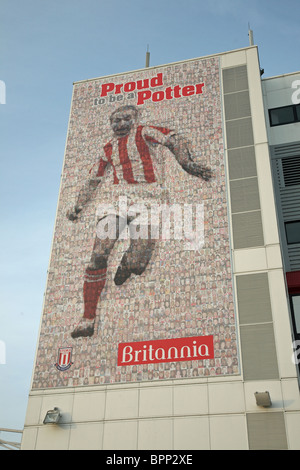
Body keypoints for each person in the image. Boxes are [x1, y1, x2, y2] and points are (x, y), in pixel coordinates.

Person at [67, 104, 212, 338]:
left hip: (150, 200)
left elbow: (174, 140)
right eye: (115, 120)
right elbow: (93, 179)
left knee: (138, 263)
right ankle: (87, 319)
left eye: (125, 119)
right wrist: (78, 205)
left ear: (134, 119)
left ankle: (128, 264)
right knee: (98, 254)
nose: (120, 124)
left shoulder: (145, 132)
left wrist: (187, 163)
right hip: (118, 202)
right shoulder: (107, 148)